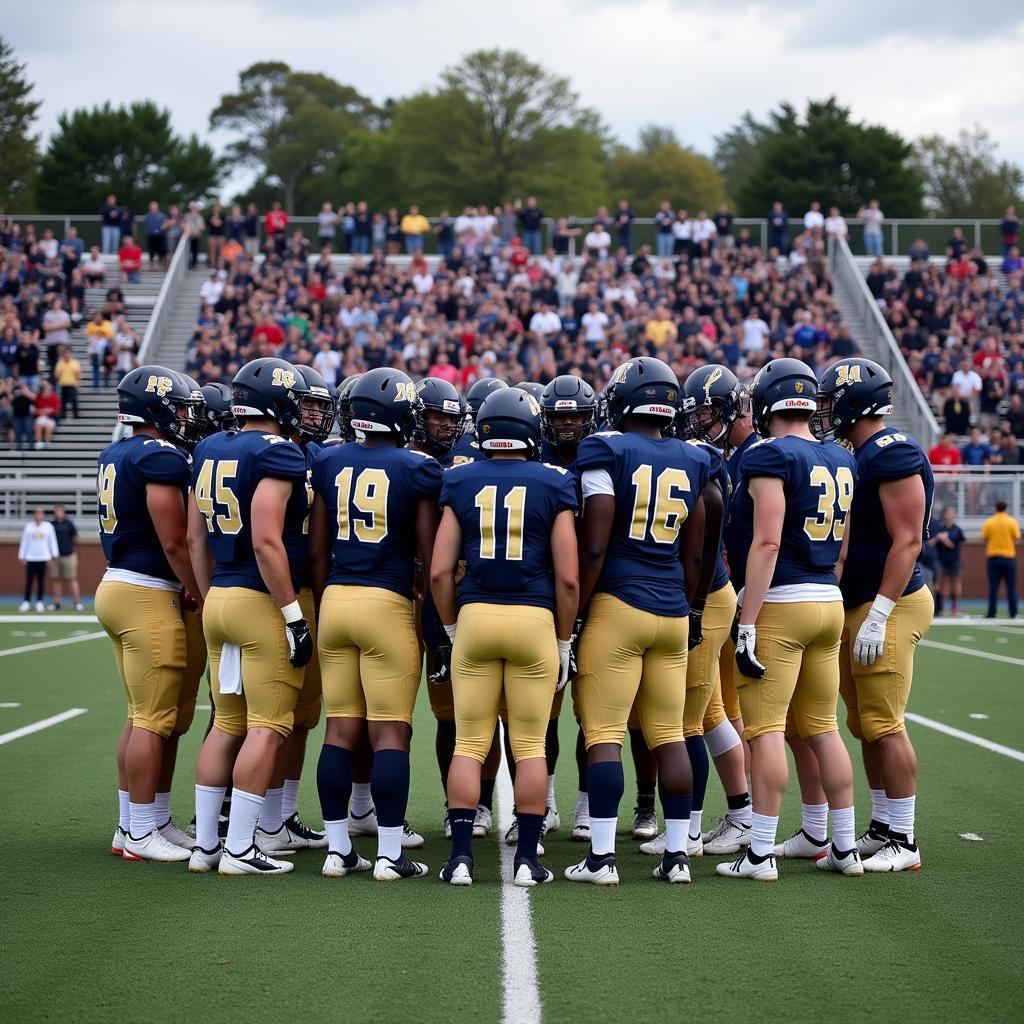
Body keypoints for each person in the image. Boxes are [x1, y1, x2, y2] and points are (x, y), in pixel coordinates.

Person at [567, 357, 720, 886]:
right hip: (673, 610)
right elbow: (697, 553)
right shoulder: (694, 458)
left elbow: (595, 540)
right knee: (670, 735)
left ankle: (602, 858)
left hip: (618, 604)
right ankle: (677, 857)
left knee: (605, 733)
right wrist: (693, 606)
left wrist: (578, 613)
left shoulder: (606, 449)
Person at [718, 358, 861, 881]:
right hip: (828, 599)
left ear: (764, 405)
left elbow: (768, 540)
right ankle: (843, 848)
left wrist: (748, 618)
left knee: (766, 732)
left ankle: (757, 853)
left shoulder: (771, 455)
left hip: (783, 603)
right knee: (823, 729)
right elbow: (841, 545)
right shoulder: (840, 458)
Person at [433, 388, 579, 887]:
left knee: (469, 743)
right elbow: (568, 579)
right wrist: (564, 641)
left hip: (475, 615)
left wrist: (452, 625)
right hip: (535, 620)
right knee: (531, 745)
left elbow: (438, 571)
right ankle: (528, 861)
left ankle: (458, 859)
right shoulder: (555, 481)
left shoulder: (459, 478)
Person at [309, 367, 442, 881]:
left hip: (337, 599)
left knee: (338, 730)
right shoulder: (418, 467)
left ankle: (337, 850)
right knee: (390, 735)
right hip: (386, 603)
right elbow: (431, 560)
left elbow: (318, 551)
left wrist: (327, 605)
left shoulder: (328, 460)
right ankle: (389, 853)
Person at [186, 358, 315, 876]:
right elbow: (266, 539)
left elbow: (197, 539)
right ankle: (240, 847)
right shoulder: (278, 452)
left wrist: (209, 593)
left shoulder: (208, 447)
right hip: (261, 600)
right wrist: (293, 615)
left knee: (226, 723)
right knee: (267, 725)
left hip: (219, 596)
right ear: (280, 403)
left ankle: (207, 845)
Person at [816, 357, 935, 873]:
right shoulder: (859, 452)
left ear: (851, 401)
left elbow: (908, 540)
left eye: (828, 401)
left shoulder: (892, 453)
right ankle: (884, 826)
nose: (823, 411)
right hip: (860, 600)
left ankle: (905, 841)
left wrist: (880, 612)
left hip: (892, 601)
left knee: (885, 723)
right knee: (863, 723)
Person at [95, 366, 204, 862]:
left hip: (118, 583)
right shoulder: (157, 456)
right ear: (156, 408)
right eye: (177, 407)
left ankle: (140, 822)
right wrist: (197, 587)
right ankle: (140, 832)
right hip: (146, 591)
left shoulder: (116, 452)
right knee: (154, 719)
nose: (184, 417)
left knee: (141, 716)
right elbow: (175, 540)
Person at [249, 363, 335, 857]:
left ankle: (280, 817)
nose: (315, 415)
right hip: (269, 597)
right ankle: (245, 821)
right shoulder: (269, 453)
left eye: (321, 407)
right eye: (307, 405)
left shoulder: (316, 454)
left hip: (302, 594)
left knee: (302, 716)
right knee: (259, 717)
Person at [674, 364, 754, 856]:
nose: (698, 421)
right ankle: (744, 813)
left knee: (695, 716)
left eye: (705, 411)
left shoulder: (751, 456)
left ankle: (698, 828)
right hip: (729, 591)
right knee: (717, 711)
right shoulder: (731, 454)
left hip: (724, 593)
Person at [538, 375, 597, 841]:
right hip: (547, 595)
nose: (567, 424)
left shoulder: (603, 458)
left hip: (595, 596)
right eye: (559, 416)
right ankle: (550, 799)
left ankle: (585, 807)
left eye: (574, 415)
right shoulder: (534, 459)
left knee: (592, 711)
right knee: (547, 709)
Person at [981, 500, 1020, 618]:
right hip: (1009, 558)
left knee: (993, 587)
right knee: (1011, 587)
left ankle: (992, 612)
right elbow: (1017, 537)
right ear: (1006, 509)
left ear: (995, 509)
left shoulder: (989, 522)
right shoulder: (1012, 522)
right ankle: (1013, 612)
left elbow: (985, 537)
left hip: (994, 558)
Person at [18, 508, 58, 613]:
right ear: (34, 515)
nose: (38, 516)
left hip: (43, 558)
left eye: (40, 514)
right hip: (31, 558)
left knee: (41, 582)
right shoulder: (28, 527)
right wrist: (22, 556)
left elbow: (52, 541)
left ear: (43, 515)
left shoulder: (48, 527)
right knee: (29, 581)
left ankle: (39, 602)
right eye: (37, 514)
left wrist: (54, 554)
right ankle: (26, 602)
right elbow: (24, 542)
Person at [48, 504, 83, 611]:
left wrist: (70, 546)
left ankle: (76, 603)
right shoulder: (51, 525)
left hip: (69, 555)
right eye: (56, 511)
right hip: (55, 557)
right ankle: (57, 603)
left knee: (71, 579)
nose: (58, 513)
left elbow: (75, 536)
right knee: (56, 579)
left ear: (63, 512)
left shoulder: (69, 523)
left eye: (60, 511)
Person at [931, 507, 965, 616]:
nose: (948, 516)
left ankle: (954, 605)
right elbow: (931, 543)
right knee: (941, 583)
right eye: (947, 513)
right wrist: (937, 538)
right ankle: (941, 606)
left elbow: (952, 545)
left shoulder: (957, 530)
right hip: (941, 561)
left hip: (954, 561)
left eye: (951, 514)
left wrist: (944, 539)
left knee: (955, 582)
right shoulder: (940, 528)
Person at [54, 345, 81, 419]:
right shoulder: (60, 363)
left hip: (72, 385)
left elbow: (78, 373)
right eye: (65, 353)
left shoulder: (75, 363)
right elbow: (57, 374)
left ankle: (76, 415)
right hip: (63, 385)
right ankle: (63, 415)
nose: (67, 355)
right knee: (63, 401)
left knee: (74, 400)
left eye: (69, 353)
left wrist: (78, 381)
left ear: (71, 354)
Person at [33, 379, 60, 449]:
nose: (46, 388)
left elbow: (56, 410)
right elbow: (35, 409)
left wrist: (50, 411)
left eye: (47, 386)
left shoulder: (54, 397)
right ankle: (38, 442)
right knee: (38, 424)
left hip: (51, 417)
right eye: (44, 386)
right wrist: (42, 411)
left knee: (49, 426)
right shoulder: (39, 396)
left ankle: (47, 442)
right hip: (41, 416)